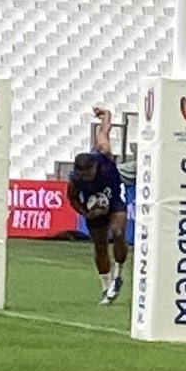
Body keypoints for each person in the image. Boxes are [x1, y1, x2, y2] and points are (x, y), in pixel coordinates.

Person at [66, 106, 128, 305]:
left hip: (114, 201)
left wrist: (105, 114)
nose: (86, 177)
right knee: (100, 245)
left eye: (88, 173)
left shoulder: (103, 153)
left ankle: (119, 273)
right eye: (82, 174)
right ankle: (105, 285)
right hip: (94, 209)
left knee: (118, 233)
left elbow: (105, 130)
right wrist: (86, 213)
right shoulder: (75, 180)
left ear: (94, 166)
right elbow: (73, 199)